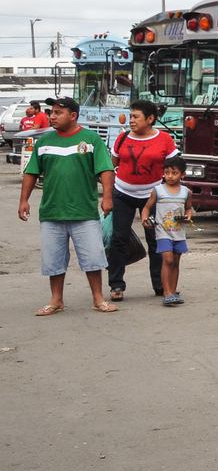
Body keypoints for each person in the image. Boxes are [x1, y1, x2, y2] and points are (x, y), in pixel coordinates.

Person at [18, 96, 117, 316]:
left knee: (93, 258)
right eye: (51, 112)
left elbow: (105, 170)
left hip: (84, 212)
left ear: (73, 115)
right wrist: (23, 200)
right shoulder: (44, 142)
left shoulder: (91, 139)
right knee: (53, 259)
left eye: (58, 112)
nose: (52, 116)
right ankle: (56, 300)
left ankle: (98, 298)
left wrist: (107, 197)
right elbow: (31, 172)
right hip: (52, 212)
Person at [106, 99, 179, 300]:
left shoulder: (164, 139)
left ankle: (160, 285)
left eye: (136, 117)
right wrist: (108, 196)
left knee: (155, 241)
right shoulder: (122, 138)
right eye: (130, 116)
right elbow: (112, 165)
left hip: (153, 198)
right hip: (123, 195)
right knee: (118, 239)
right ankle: (116, 285)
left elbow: (174, 168)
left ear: (150, 119)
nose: (131, 120)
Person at [141, 159, 194, 306]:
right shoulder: (158, 190)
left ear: (182, 175)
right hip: (162, 231)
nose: (170, 176)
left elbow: (188, 208)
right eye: (167, 173)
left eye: (174, 173)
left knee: (176, 262)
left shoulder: (186, 192)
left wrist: (188, 216)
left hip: (179, 233)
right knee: (168, 260)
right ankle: (167, 292)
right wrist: (145, 219)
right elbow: (147, 207)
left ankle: (173, 290)